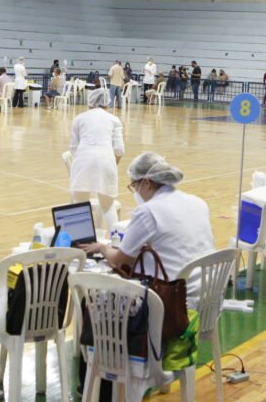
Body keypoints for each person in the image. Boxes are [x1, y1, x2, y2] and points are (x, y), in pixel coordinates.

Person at [80, 152, 215, 306]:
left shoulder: (149, 211)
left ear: (146, 183)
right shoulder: (198, 202)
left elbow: (118, 261)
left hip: (174, 301)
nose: (135, 191)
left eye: (134, 185)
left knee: (94, 298)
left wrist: (103, 247)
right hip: (210, 293)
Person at [69, 89, 125, 234]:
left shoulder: (79, 118)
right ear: (107, 102)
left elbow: (74, 148)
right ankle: (115, 243)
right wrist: (112, 166)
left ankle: (80, 241)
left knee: (79, 207)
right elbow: (119, 150)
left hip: (82, 161)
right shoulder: (114, 120)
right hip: (106, 162)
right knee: (108, 207)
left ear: (90, 101)